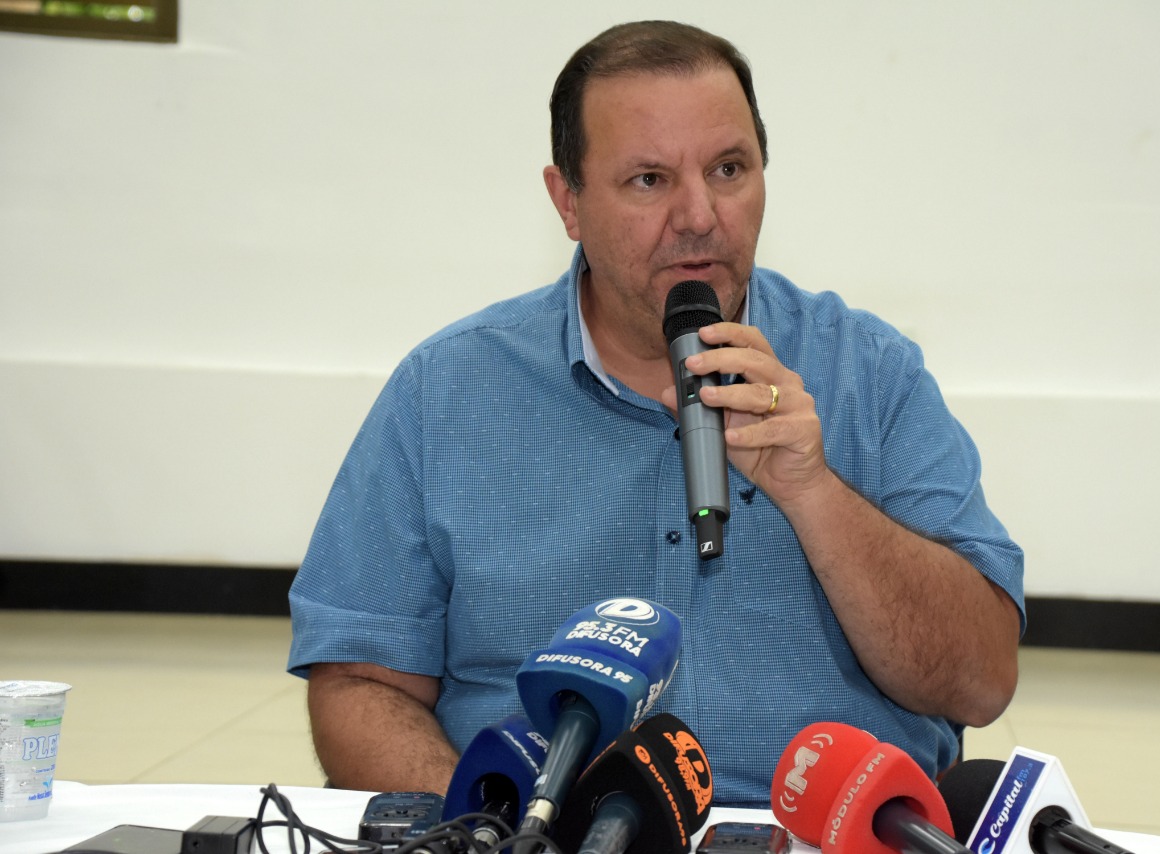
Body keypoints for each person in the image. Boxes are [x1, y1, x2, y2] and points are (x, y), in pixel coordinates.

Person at [287, 20, 1024, 806]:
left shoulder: (869, 373)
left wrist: (814, 493)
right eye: (649, 180)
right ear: (568, 201)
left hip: (824, 836)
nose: (699, 215)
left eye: (729, 169)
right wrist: (489, 827)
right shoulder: (444, 390)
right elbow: (359, 686)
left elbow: (980, 682)